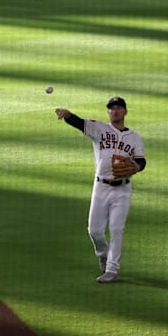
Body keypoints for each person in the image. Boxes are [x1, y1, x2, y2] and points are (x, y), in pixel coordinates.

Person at [54, 97, 146, 283]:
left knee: (116, 228)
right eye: (112, 108)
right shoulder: (100, 129)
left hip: (123, 190)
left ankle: (112, 269)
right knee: (94, 230)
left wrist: (136, 167)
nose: (115, 111)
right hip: (101, 187)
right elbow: (80, 123)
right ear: (108, 112)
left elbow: (141, 161)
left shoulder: (135, 138)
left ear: (125, 112)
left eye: (119, 108)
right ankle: (103, 253)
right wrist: (67, 115)